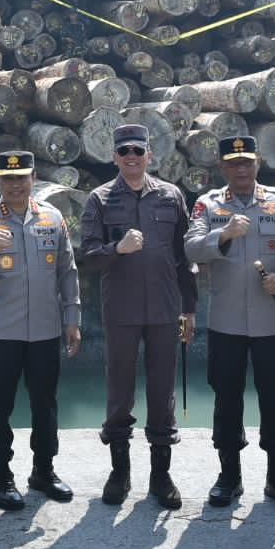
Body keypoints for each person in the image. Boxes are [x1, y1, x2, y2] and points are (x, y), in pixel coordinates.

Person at [184, 134, 275, 511]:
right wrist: (223, 234)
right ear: (222, 167)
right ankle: (229, 476)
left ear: (258, 164)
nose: (241, 169)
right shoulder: (207, 204)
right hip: (227, 325)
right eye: (233, 163)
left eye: (247, 162)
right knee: (226, 400)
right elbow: (190, 249)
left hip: (272, 322)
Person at [79, 123, 196, 510]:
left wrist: (189, 308)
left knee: (163, 393)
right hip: (122, 309)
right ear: (114, 157)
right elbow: (90, 257)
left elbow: (185, 259)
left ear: (150, 155)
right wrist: (119, 248)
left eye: (137, 151)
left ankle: (161, 476)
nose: (131, 157)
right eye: (124, 151)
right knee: (120, 392)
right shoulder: (99, 199)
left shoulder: (170, 196)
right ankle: (120, 472)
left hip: (165, 308)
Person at [0, 150, 82, 510]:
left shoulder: (52, 218)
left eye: (22, 177)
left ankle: (44, 470)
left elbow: (67, 271)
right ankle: (1, 477)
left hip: (45, 329)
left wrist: (72, 319)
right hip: (1, 333)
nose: (15, 184)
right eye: (8, 179)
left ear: (33, 178)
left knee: (45, 403)